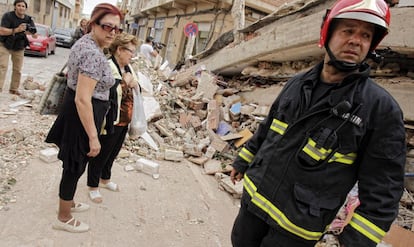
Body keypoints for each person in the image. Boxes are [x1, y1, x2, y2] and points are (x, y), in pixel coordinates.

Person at [229, 0, 406, 246]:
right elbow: (268, 129)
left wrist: (354, 241)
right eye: (348, 30)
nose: (356, 40)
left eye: (365, 35)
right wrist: (242, 160)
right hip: (253, 204)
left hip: (295, 229)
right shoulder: (297, 84)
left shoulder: (379, 110)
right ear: (327, 32)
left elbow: (383, 190)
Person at [45, 3, 123, 233]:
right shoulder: (93, 54)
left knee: (74, 164)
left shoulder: (87, 43)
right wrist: (93, 137)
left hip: (77, 112)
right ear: (93, 24)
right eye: (107, 26)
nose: (112, 33)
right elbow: (82, 99)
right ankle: (63, 217)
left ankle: (66, 202)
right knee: (74, 165)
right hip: (82, 115)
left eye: (117, 29)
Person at [87, 33, 139, 203]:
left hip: (124, 118)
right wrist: (125, 83)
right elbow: (106, 91)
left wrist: (131, 82)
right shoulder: (108, 66)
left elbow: (136, 85)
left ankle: (105, 178)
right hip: (109, 119)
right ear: (119, 50)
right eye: (130, 51)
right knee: (101, 153)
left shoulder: (128, 68)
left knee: (113, 152)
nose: (133, 55)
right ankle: (93, 185)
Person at [0, 0, 37, 95]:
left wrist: (29, 32)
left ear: (26, 8)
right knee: (2, 66)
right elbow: (2, 31)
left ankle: (13, 89)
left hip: (19, 46)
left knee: (18, 69)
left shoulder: (29, 19)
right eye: (19, 5)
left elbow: (35, 35)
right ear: (15, 7)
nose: (21, 7)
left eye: (23, 6)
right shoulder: (8, 16)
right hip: (5, 44)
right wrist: (17, 30)